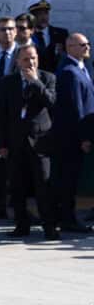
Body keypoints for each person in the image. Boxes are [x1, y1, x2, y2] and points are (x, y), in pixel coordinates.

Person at [0, 43, 55, 235]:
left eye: (33, 58)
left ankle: (49, 226)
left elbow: (52, 102)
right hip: (16, 141)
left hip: (40, 141)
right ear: (17, 62)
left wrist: (35, 82)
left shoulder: (48, 78)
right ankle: (21, 225)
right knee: (17, 186)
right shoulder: (8, 82)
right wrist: (2, 144)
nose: (30, 62)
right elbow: (2, 115)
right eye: (25, 59)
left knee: (44, 185)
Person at [45, 33, 94, 236]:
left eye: (88, 44)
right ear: (70, 47)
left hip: (76, 136)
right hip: (71, 138)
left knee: (69, 179)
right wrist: (84, 137)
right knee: (67, 179)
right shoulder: (69, 72)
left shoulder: (81, 69)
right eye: (83, 44)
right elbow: (76, 109)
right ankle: (66, 218)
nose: (88, 47)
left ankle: (64, 216)